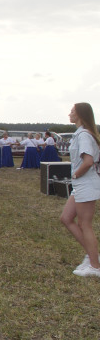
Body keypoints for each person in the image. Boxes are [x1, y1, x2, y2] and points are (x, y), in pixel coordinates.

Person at [60, 103, 100, 277]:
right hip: (82, 185)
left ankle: (95, 267)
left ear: (80, 115)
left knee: (85, 225)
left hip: (86, 184)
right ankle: (93, 257)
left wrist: (75, 175)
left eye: (72, 111)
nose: (69, 113)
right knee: (66, 218)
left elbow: (88, 161)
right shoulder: (81, 134)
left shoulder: (83, 135)